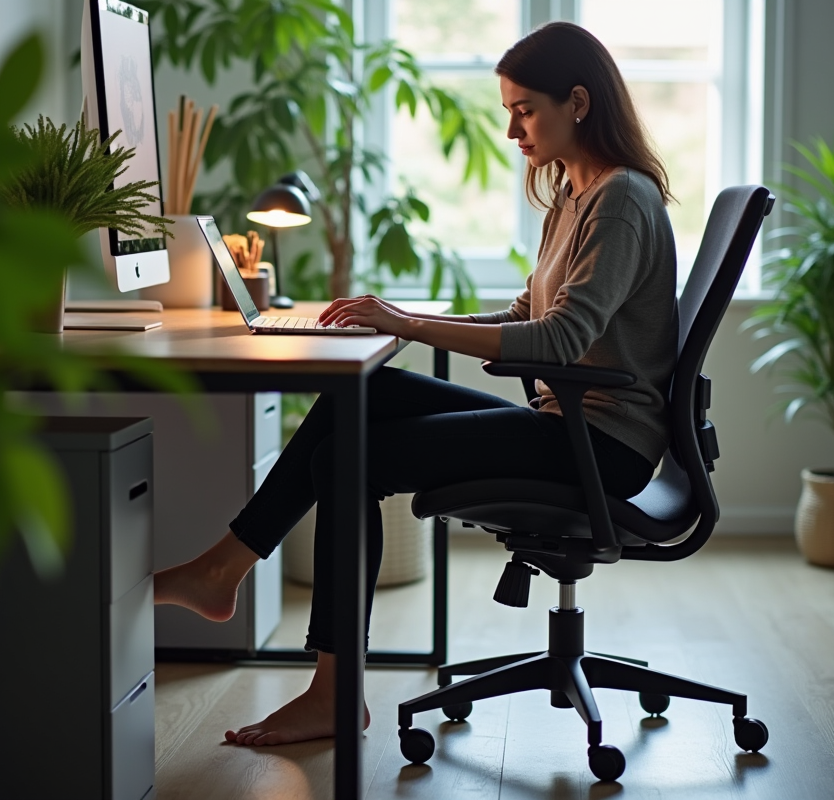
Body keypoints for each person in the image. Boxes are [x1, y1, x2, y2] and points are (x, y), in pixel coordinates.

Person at [153, 20, 679, 747]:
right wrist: (407, 319)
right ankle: (227, 567)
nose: (512, 131)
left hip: (602, 444)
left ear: (579, 102)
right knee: (364, 395)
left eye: (524, 110)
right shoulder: (571, 196)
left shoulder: (620, 200)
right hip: (569, 428)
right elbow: (527, 314)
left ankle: (327, 688)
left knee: (346, 460)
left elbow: (558, 340)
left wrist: (411, 323)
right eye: (508, 113)